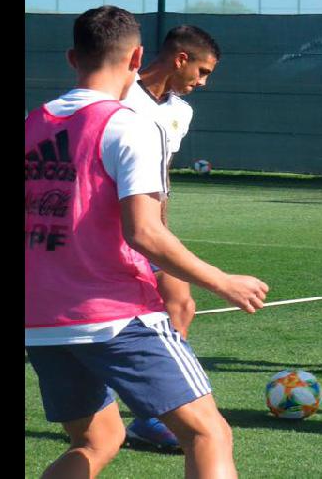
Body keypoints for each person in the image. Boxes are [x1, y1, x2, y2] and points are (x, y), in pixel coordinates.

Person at [25, 6, 268, 478]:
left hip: (40, 318)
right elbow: (145, 231)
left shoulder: (33, 123)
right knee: (207, 433)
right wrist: (223, 281)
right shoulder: (130, 124)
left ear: (72, 56)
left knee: (98, 440)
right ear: (137, 57)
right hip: (112, 313)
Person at [119, 23, 221, 450]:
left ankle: (148, 416)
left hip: (151, 229)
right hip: (107, 229)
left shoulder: (181, 111)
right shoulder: (120, 95)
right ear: (180, 58)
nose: (202, 82)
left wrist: (162, 228)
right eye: (201, 71)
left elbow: (159, 178)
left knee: (181, 303)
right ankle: (101, 411)